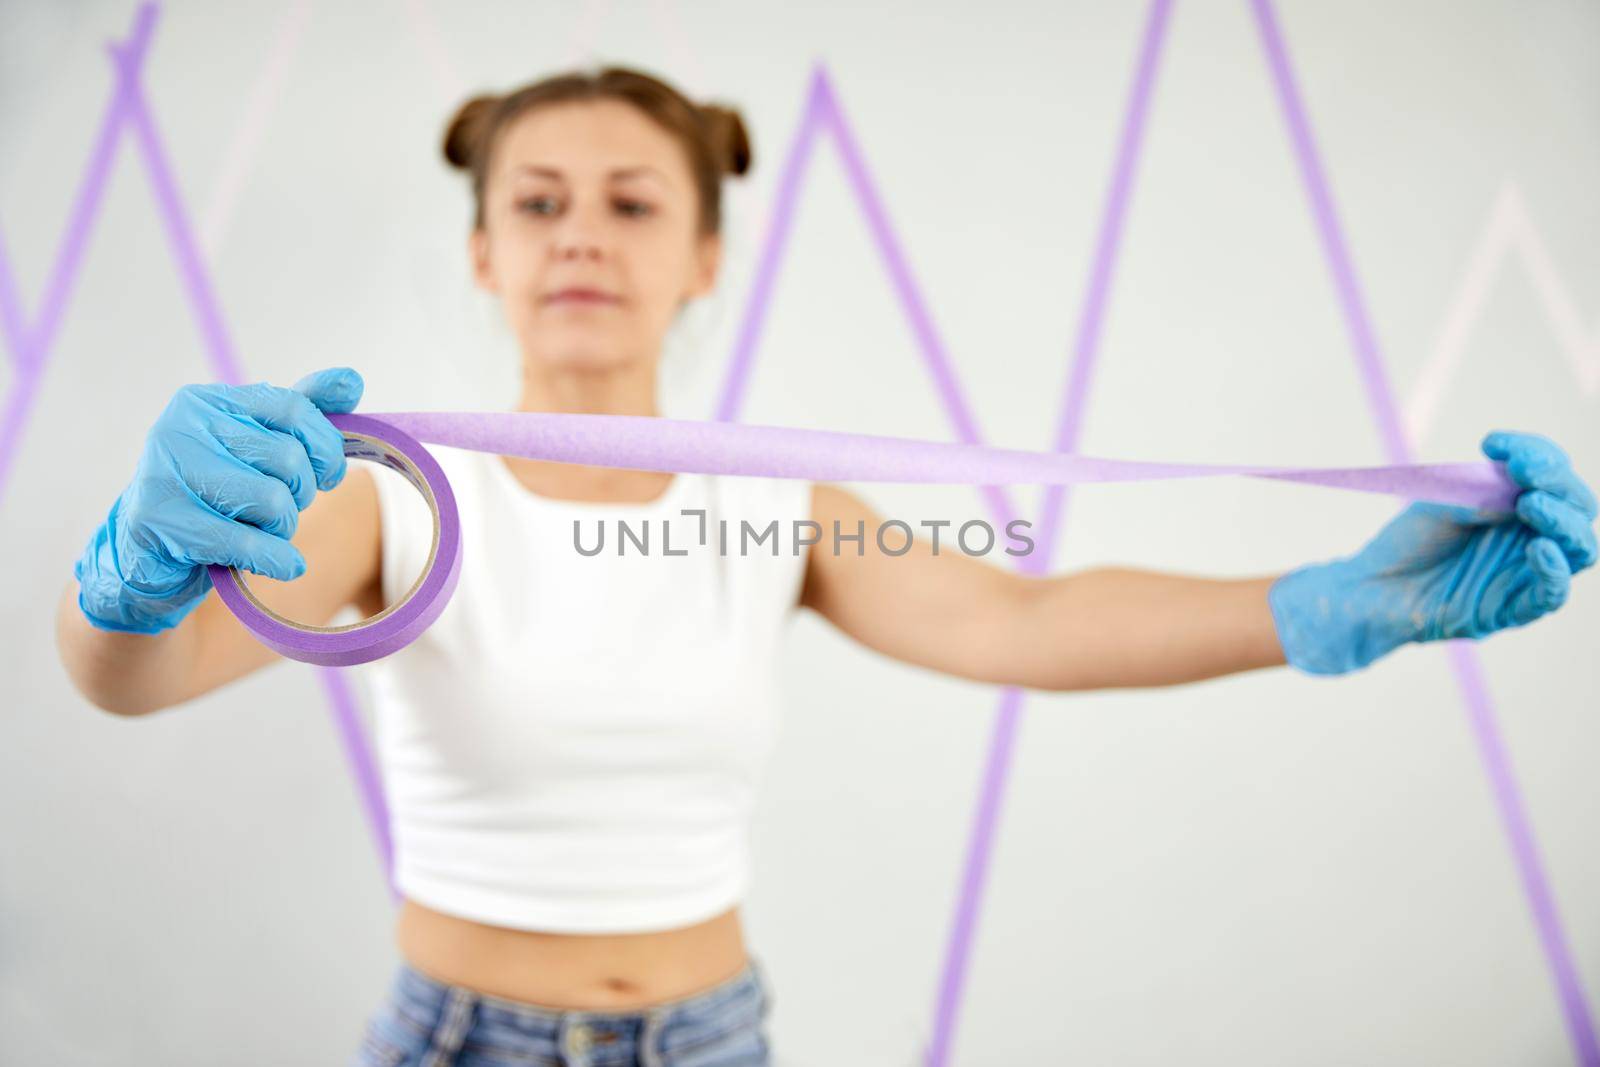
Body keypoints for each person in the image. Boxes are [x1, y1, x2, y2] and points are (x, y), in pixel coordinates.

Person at [55, 65, 1597, 1067]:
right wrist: (130, 575)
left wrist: (1336, 606)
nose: (580, 235)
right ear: (482, 252)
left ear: (706, 256)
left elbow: (1024, 617)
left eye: (633, 201)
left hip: (719, 1039)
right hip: (454, 1042)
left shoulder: (774, 505)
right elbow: (147, 677)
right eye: (536, 204)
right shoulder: (389, 491)